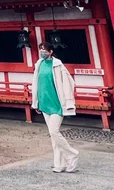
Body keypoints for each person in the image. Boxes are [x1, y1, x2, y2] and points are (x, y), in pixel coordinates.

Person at [33, 41, 80, 173]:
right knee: (52, 135)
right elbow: (37, 84)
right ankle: (59, 164)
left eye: (44, 50)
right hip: (44, 103)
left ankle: (72, 154)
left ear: (50, 51)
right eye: (40, 49)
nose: (42, 52)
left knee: (54, 131)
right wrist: (36, 102)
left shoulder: (58, 65)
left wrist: (68, 101)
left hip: (57, 104)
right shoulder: (39, 64)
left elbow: (68, 82)